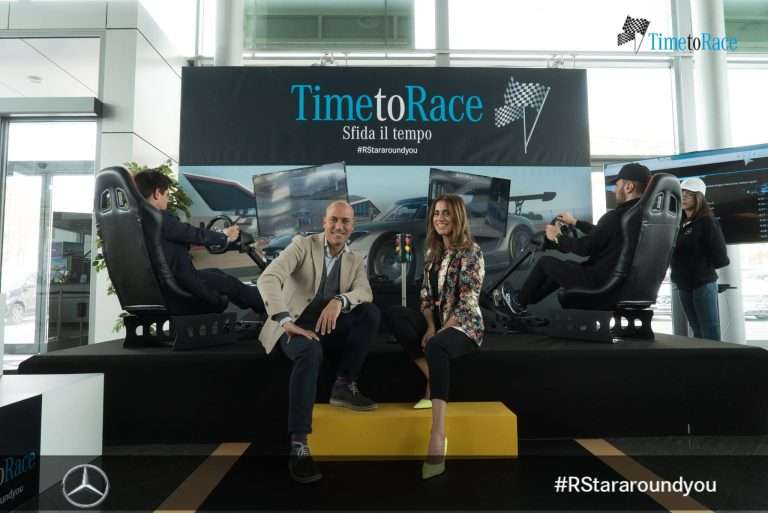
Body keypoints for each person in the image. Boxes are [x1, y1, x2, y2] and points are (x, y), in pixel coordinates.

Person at [256, 200, 381, 484]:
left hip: (327, 327)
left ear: (353, 226)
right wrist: (285, 320)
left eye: (345, 221)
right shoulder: (302, 245)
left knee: (370, 313)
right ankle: (299, 445)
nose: (339, 226)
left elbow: (365, 292)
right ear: (324, 222)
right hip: (293, 327)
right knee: (311, 352)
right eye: (333, 220)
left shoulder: (355, 258)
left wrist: (340, 300)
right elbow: (268, 278)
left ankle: (344, 385)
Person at [384, 194, 485, 480]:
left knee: (438, 345)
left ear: (458, 217)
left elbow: (467, 302)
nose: (440, 218)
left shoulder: (471, 252)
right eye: (437, 213)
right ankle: (433, 375)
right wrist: (429, 327)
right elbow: (426, 299)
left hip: (464, 326)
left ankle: (438, 434)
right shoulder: (433, 254)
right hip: (438, 324)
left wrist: (439, 333)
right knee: (395, 314)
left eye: (446, 213)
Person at [507, 163, 651, 313]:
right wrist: (576, 223)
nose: (615, 190)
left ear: (628, 187)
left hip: (599, 282)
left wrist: (557, 237)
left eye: (617, 185)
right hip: (621, 283)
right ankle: (524, 299)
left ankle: (518, 303)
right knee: (564, 268)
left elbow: (584, 248)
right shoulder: (639, 217)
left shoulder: (614, 217)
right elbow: (604, 234)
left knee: (546, 263)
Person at [134, 169, 265, 314]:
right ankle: (269, 306)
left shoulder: (138, 220)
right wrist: (225, 235)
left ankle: (253, 307)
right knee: (230, 283)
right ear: (157, 193)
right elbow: (194, 234)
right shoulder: (159, 219)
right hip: (180, 286)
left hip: (162, 286)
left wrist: (220, 235)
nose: (168, 200)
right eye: (167, 195)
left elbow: (183, 236)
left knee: (216, 273)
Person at [670, 177, 729, 341]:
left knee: (709, 331)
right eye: (681, 194)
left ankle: (715, 359)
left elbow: (720, 256)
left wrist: (700, 265)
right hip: (683, 284)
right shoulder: (679, 223)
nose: (683, 198)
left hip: (702, 283)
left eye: (688, 194)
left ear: (699, 198)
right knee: (696, 330)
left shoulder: (707, 221)